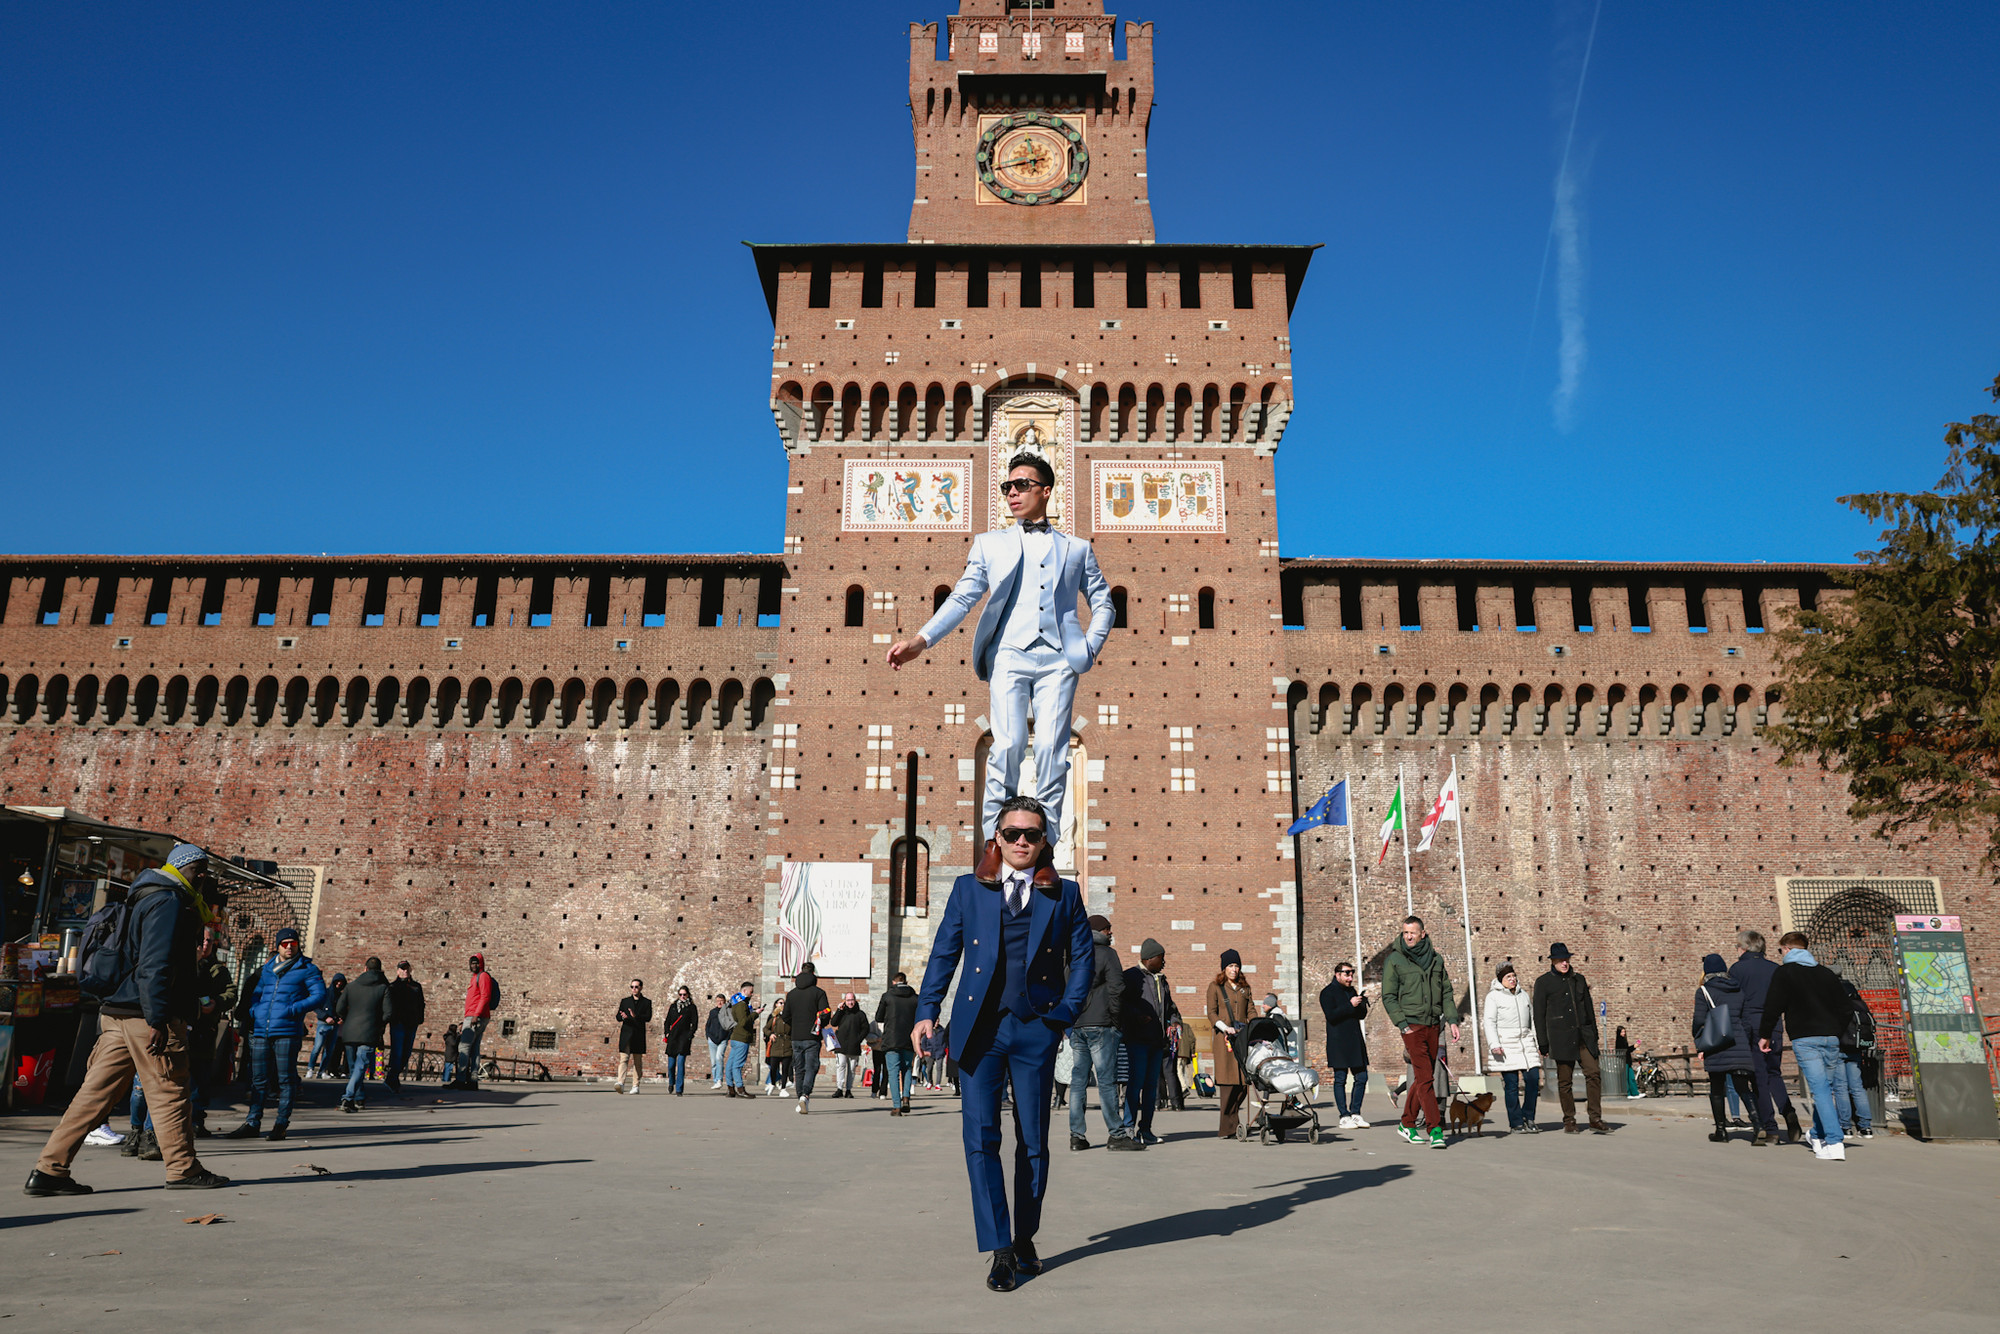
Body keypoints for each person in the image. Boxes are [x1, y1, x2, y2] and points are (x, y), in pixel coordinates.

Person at [887, 451, 1116, 891]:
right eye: (1006, 487)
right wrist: (921, 640)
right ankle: (995, 845)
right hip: (1009, 653)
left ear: (1045, 491)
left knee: (1053, 748)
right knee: (1006, 745)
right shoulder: (990, 544)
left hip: (1059, 657)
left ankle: (1043, 849)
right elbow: (961, 598)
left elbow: (1103, 601)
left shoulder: (1077, 549)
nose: (1011, 493)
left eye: (1021, 485)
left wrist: (1088, 647)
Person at [912, 795, 1094, 1292]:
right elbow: (944, 954)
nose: (1020, 841)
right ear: (997, 837)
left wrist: (1063, 1015)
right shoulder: (968, 890)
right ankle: (1000, 1250)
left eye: (1031, 835)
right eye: (1012, 833)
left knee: (1033, 1143)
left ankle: (1026, 1237)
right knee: (980, 1140)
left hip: (1035, 1030)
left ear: (1044, 842)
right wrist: (927, 1011)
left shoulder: (1067, 894)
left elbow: (1083, 960)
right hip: (978, 1032)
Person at [25, 842, 230, 1196]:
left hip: (117, 1012)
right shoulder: (169, 901)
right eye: (200, 870)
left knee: (93, 1096)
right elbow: (156, 963)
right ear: (187, 868)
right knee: (170, 1091)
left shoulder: (143, 895)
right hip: (144, 1015)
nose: (203, 878)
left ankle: (49, 1170)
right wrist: (159, 1018)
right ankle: (183, 1169)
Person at [224, 926, 327, 1142]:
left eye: (294, 943)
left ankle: (281, 1123)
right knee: (258, 1079)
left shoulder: (307, 968)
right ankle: (253, 1122)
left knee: (285, 1079)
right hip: (262, 1029)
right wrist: (255, 1011)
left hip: (287, 1031)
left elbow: (319, 995)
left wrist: (293, 1009)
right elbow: (257, 994)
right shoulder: (269, 969)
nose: (290, 947)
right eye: (285, 943)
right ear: (278, 946)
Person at [1757, 931, 1852, 1161]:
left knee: (1820, 1090)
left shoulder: (1784, 973)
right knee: (1825, 1089)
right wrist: (1835, 1031)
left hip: (1805, 1038)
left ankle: (1834, 1141)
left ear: (1788, 949)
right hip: (1830, 1038)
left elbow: (1772, 1006)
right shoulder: (1826, 973)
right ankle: (1817, 1133)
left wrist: (1765, 1035)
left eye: (1780, 950)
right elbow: (1846, 1008)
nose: (1780, 955)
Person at [1382, 915, 1461, 1149]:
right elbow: (1388, 995)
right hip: (1411, 1025)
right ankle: (1435, 1128)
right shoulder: (1395, 960)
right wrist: (1401, 1023)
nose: (1408, 936)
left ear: (1422, 933)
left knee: (1421, 1077)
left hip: (1433, 1025)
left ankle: (1406, 1124)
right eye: (1405, 932)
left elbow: (1446, 991)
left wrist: (1453, 1020)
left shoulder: (1436, 960)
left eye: (1412, 932)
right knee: (1427, 1077)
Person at [1068, 914, 1137, 1151]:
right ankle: (1116, 1135)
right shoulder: (1108, 954)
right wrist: (1116, 1022)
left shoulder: (1075, 953)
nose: (1111, 933)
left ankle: (1077, 1136)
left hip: (1078, 1025)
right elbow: (1117, 989)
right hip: (1102, 1024)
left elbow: (1065, 989)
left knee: (1078, 1082)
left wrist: (1071, 1023)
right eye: (1108, 929)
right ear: (1101, 931)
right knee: (1106, 1081)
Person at [1729, 930, 1801, 1146]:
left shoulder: (1737, 969)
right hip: (1774, 1025)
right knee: (1774, 1073)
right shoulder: (1775, 969)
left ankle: (1770, 1128)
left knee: (1758, 1077)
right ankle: (1789, 1113)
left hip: (1751, 1025)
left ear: (1743, 948)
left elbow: (1735, 1001)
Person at [1532, 942, 1604, 1135]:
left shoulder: (1578, 980)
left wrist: (1594, 1035)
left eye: (1567, 959)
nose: (1564, 963)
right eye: (1560, 960)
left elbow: (1589, 1009)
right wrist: (1543, 1042)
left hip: (1583, 1036)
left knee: (1594, 1073)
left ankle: (1595, 1118)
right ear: (1553, 961)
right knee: (1565, 1081)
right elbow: (1539, 1015)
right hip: (1560, 1037)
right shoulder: (1543, 983)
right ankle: (1569, 1120)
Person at [1691, 953, 1756, 1144]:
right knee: (1743, 1087)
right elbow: (1746, 1021)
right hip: (1740, 1044)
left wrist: (1699, 1042)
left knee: (1717, 1089)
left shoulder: (1704, 991)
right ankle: (1758, 1125)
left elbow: (1699, 1021)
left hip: (1717, 1046)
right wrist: (1743, 1040)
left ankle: (1721, 1131)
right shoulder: (1738, 989)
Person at [1121, 938, 1178, 1146]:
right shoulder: (1131, 977)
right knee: (1135, 1085)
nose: (1164, 963)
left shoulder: (1162, 980)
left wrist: (1174, 1021)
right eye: (1161, 958)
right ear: (1149, 958)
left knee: (1151, 1088)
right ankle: (1128, 1128)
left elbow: (1171, 1006)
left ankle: (1146, 1129)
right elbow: (1121, 1003)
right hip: (1138, 1040)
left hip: (1157, 1042)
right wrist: (1137, 1016)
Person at [188, 925, 236, 1135]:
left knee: (200, 1080)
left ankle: (196, 1120)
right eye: (202, 940)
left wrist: (216, 1003)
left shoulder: (218, 970)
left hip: (204, 1032)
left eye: (209, 941)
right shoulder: (185, 966)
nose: (205, 945)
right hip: (182, 1030)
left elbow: (231, 993)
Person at [1484, 961, 1541, 1133]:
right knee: (1512, 1085)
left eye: (1514, 976)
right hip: (1505, 1045)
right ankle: (1516, 1122)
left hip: (1526, 1044)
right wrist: (1494, 1044)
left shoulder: (1523, 995)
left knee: (1533, 1080)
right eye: (1508, 977)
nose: (1512, 979)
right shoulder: (1493, 997)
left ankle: (1528, 1117)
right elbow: (1489, 1022)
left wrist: (1537, 1043)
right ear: (1501, 979)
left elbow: (1532, 1020)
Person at [1207, 950, 1256, 1140]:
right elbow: (1211, 1013)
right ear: (1224, 968)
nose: (1233, 970)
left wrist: (1253, 1026)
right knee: (1228, 1084)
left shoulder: (1245, 988)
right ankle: (1227, 1128)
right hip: (1224, 1040)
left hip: (1243, 1039)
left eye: (1236, 966)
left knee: (1243, 1084)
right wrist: (1224, 1027)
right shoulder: (1215, 987)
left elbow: (1251, 1010)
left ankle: (1233, 1125)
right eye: (1230, 966)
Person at [335, 956, 391, 1112]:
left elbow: (339, 1008)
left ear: (364, 969)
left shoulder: (351, 987)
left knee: (355, 1068)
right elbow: (388, 1013)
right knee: (359, 1068)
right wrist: (377, 1024)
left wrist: (348, 1018)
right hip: (369, 1032)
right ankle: (348, 1097)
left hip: (350, 1031)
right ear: (380, 970)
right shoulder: (383, 988)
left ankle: (357, 1098)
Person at [1320, 961, 1370, 1130]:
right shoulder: (1327, 993)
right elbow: (1331, 1016)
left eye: (1352, 973)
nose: (1350, 977)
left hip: (1355, 1041)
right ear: (1337, 974)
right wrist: (1350, 1005)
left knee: (1362, 1077)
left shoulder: (1352, 991)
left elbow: (1360, 1016)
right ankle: (1344, 1115)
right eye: (1347, 974)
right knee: (1340, 1079)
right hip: (1338, 1042)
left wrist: (1362, 1004)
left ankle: (1355, 1113)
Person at [1831, 974, 1876, 1142]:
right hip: (1856, 1048)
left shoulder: (1835, 1002)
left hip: (1838, 1047)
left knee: (1841, 1087)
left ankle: (1846, 1127)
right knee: (1857, 1087)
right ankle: (1865, 1127)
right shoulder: (1859, 1002)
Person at [782, 964, 831, 1113]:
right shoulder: (819, 993)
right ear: (813, 973)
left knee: (799, 1068)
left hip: (796, 1036)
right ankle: (805, 1095)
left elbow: (785, 1016)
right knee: (812, 1067)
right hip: (812, 1036)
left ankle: (800, 1098)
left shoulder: (791, 994)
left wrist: (795, 1023)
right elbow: (826, 1013)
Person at [875, 971, 920, 1115]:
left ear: (894, 982)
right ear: (906, 982)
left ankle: (896, 1106)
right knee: (907, 1069)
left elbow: (879, 1017)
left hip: (891, 1039)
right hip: (909, 1039)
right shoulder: (915, 998)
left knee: (893, 1073)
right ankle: (906, 1097)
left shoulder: (887, 996)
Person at [457, 953, 499, 1091]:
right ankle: (472, 1081)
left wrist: (475, 1015)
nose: (474, 965)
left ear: (481, 964)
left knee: (463, 1047)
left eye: (476, 963)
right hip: (474, 1016)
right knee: (474, 1049)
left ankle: (460, 1079)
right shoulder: (475, 978)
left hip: (476, 1016)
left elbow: (485, 996)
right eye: (472, 963)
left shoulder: (483, 976)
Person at [385, 961, 425, 1095]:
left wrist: (419, 1018)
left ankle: (393, 1076)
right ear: (398, 971)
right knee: (397, 1051)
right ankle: (392, 1078)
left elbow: (421, 1004)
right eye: (402, 969)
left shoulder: (416, 987)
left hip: (411, 1023)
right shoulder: (393, 986)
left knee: (406, 1053)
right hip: (398, 1023)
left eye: (407, 969)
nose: (405, 971)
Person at [615, 979, 653, 1093]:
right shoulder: (625, 1001)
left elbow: (648, 1017)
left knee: (637, 1061)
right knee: (624, 1058)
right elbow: (617, 1016)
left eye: (636, 987)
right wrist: (622, 1017)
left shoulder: (646, 1002)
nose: (634, 989)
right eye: (632, 987)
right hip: (626, 1033)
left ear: (641, 988)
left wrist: (635, 1016)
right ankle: (620, 1083)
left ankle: (635, 1085)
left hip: (638, 1034)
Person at [831, 993, 870, 1098]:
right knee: (841, 1066)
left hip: (854, 1045)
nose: (850, 1002)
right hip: (841, 1045)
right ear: (845, 1001)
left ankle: (848, 1090)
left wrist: (858, 1039)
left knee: (852, 1069)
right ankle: (839, 1088)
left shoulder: (860, 1014)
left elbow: (866, 1028)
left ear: (855, 1000)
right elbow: (833, 1023)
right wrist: (839, 1010)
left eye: (852, 1000)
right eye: (848, 1000)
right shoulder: (842, 1012)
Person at [662, 985, 698, 1096]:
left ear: (688, 995)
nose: (682, 996)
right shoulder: (673, 1006)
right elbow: (667, 1021)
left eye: (684, 994)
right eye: (680, 994)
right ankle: (671, 1082)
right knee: (671, 1065)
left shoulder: (691, 1007)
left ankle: (679, 1089)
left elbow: (695, 1023)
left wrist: (690, 1035)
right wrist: (667, 1032)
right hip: (673, 1037)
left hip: (684, 1038)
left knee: (681, 1064)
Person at [725, 980, 758, 1098]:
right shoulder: (742, 1004)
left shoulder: (736, 1003)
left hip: (736, 1037)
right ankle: (740, 1089)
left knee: (730, 1064)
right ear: (744, 991)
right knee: (737, 1065)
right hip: (741, 1038)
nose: (752, 994)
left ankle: (730, 1088)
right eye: (751, 992)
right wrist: (755, 1014)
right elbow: (743, 1022)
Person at [309, 973, 345, 1078]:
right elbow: (316, 1006)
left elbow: (340, 1010)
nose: (339, 984)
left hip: (334, 1025)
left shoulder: (341, 996)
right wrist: (325, 1017)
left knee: (329, 1050)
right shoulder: (325, 993)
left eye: (341, 983)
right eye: (337, 982)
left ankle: (322, 1071)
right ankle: (310, 1068)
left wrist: (340, 1018)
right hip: (323, 1023)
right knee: (317, 1047)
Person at [762, 994, 792, 1096]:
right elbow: (766, 1028)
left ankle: (783, 1088)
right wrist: (770, 1034)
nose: (782, 1005)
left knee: (785, 1069)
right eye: (780, 1003)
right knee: (773, 1067)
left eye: (784, 1003)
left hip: (787, 1045)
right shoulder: (774, 1017)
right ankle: (772, 1083)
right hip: (776, 1045)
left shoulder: (790, 1017)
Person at [704, 995, 731, 1089]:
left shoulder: (728, 1012)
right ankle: (715, 1080)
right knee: (713, 1061)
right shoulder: (713, 1012)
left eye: (721, 1001)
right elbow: (708, 1025)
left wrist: (727, 1037)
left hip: (722, 1039)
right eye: (718, 1001)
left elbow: (730, 1025)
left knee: (719, 1057)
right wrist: (708, 1036)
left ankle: (719, 1080)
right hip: (712, 1039)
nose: (719, 1003)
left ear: (725, 1002)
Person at [439, 1021, 462, 1088]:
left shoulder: (450, 1036)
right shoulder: (450, 1036)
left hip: (451, 1054)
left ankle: (446, 1079)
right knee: (448, 1068)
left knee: (449, 1068)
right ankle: (446, 1080)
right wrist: (458, 1037)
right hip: (450, 1054)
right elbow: (453, 1044)